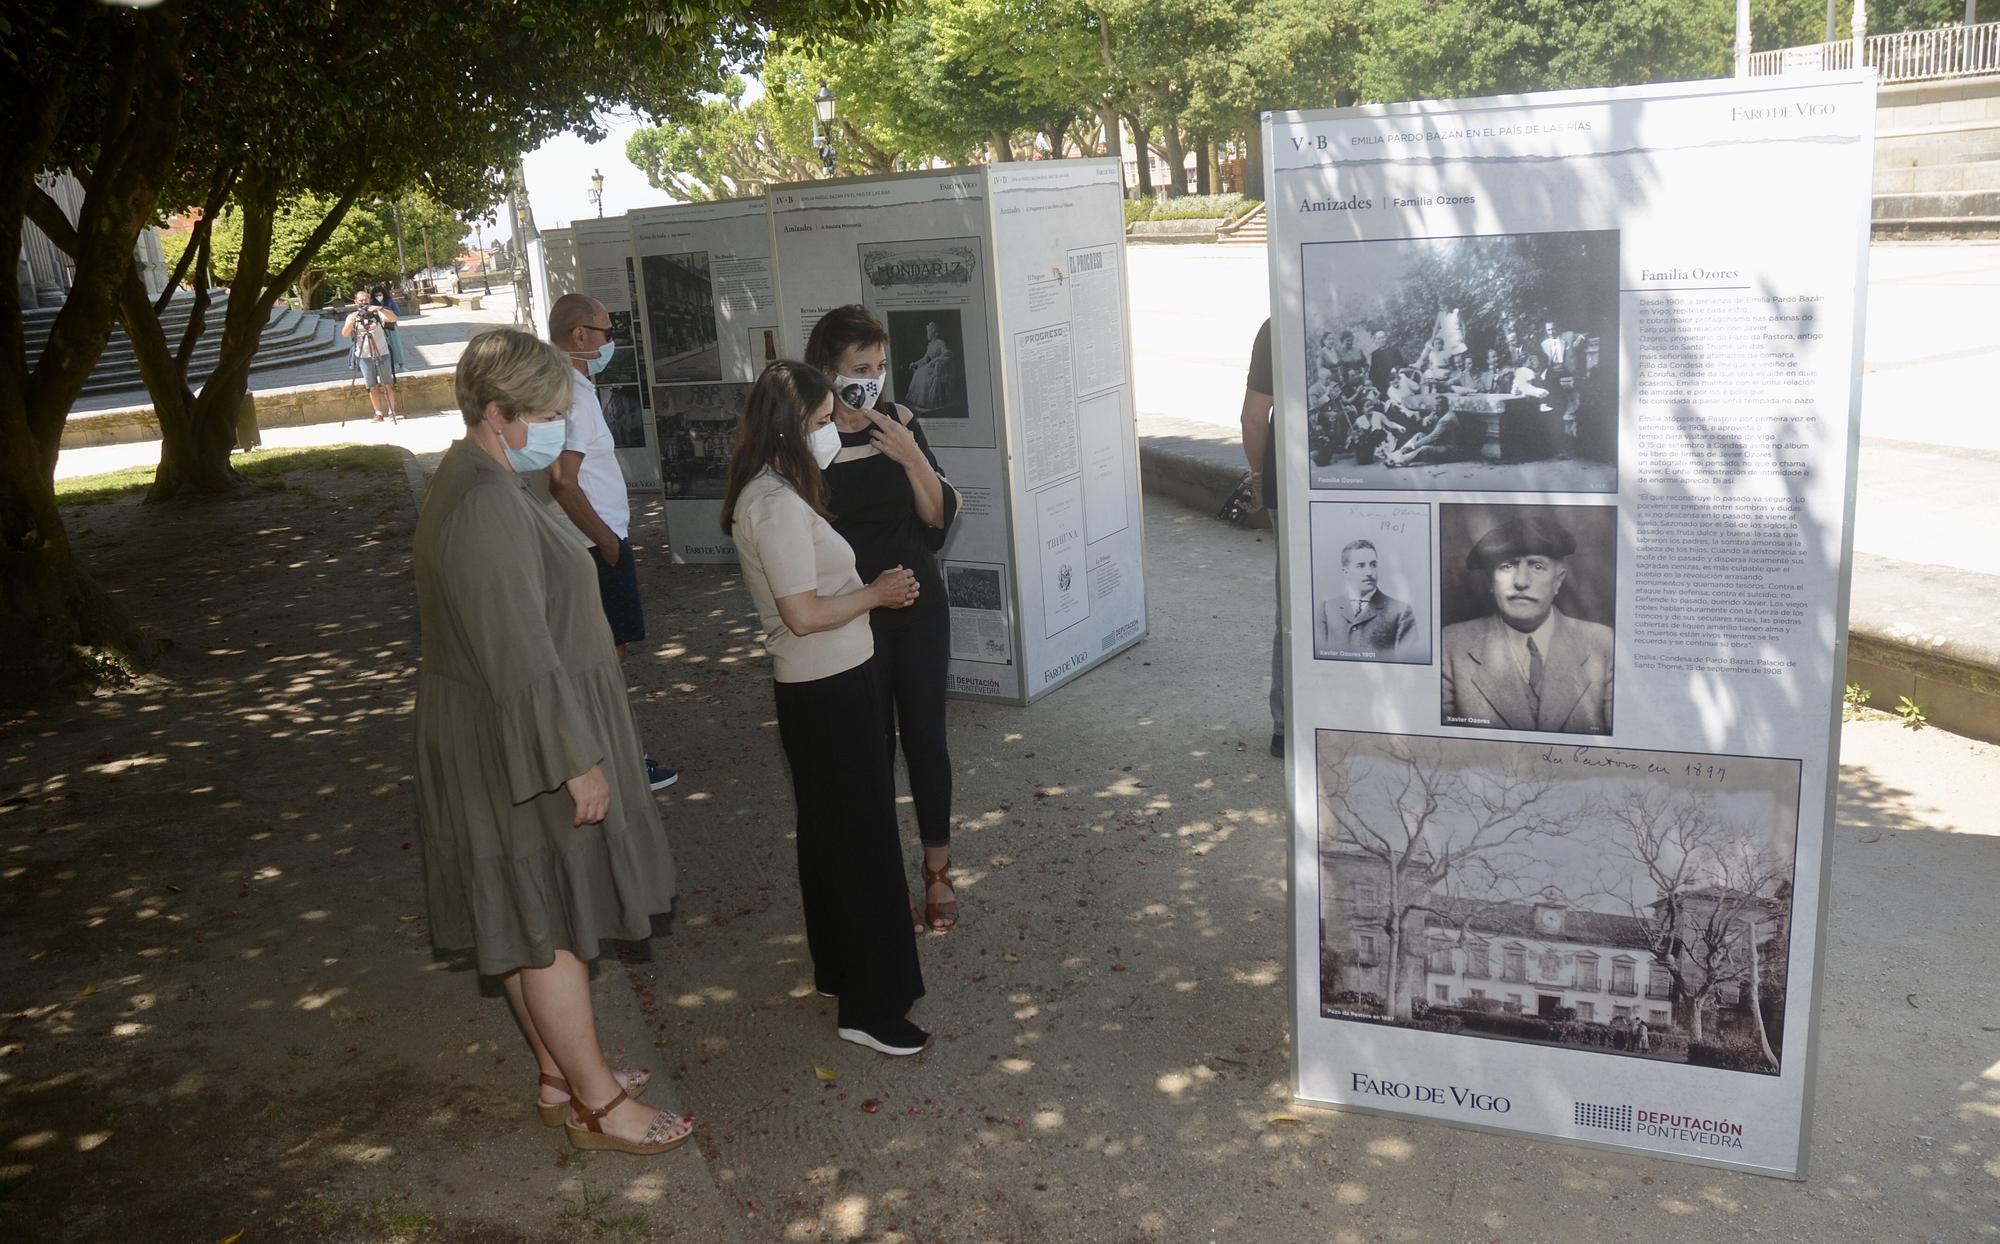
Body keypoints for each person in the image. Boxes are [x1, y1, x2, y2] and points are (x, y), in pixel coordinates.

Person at [411, 328, 691, 1156]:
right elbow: (520, 653)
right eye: (547, 415)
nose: (561, 429)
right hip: (522, 741)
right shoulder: (490, 503)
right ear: (497, 415)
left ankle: (558, 1075)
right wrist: (578, 761)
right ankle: (599, 1106)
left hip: (501, 726)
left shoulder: (481, 476)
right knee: (549, 926)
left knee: (523, 912)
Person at [721, 360, 931, 1055]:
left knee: (833, 840)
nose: (826, 432)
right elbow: (803, 614)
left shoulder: (775, 489)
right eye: (817, 422)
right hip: (827, 686)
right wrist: (877, 593)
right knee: (863, 846)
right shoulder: (774, 503)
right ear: (789, 427)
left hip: (830, 682)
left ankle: (842, 970)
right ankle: (872, 1007)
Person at [804, 305, 962, 933]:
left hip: (919, 606)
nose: (872, 379)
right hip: (854, 614)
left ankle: (938, 869)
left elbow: (938, 520)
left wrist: (911, 457)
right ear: (827, 371)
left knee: (926, 739)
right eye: (858, 368)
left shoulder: (898, 420)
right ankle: (877, 877)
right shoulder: (810, 440)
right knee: (870, 749)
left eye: (881, 366)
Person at [545, 293, 678, 792]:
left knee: (591, 657)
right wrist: (607, 540)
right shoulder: (574, 394)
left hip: (577, 543)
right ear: (580, 336)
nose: (609, 342)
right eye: (604, 332)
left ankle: (599, 756)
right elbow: (563, 478)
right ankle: (616, 760)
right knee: (602, 660)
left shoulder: (553, 382)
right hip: (591, 545)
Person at [1440, 516, 1613, 735]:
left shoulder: (1603, 644)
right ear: (1490, 582)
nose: (1521, 581)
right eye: (1507, 566)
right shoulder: (1450, 646)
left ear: (1558, 580)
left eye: (1537, 566)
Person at [1238, 319, 1282, 758]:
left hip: (1291, 481)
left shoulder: (1277, 323)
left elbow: (1254, 416)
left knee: (1293, 605)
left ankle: (1286, 727)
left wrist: (1258, 478)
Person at [1317, 539, 1417, 659]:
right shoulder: (1328, 609)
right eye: (1361, 566)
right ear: (1346, 572)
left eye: (1373, 565)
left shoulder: (1400, 611)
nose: (1369, 572)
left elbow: (1408, 666)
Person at [340, 288, 397, 422]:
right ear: (355, 302)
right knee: (371, 385)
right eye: (360, 300)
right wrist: (352, 321)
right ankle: (378, 413)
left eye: (365, 300)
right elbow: (345, 333)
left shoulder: (377, 314)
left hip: (382, 352)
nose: (363, 302)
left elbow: (394, 318)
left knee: (387, 384)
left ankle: (392, 411)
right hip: (364, 356)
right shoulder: (352, 316)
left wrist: (380, 309)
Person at [902, 320, 960, 412]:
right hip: (930, 366)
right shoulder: (929, 345)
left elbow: (947, 354)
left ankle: (928, 402)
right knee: (918, 372)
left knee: (923, 373)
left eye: (928, 332)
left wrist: (936, 360)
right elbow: (925, 359)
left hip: (938, 366)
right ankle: (920, 402)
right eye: (927, 332)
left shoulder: (940, 342)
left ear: (933, 333)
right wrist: (915, 363)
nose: (927, 334)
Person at [371, 284, 408, 372]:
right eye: (376, 295)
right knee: (384, 347)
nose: (378, 297)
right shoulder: (372, 304)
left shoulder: (390, 301)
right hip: (379, 327)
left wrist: (385, 310)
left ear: (383, 294)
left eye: (379, 295)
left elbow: (397, 313)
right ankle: (390, 365)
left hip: (391, 326)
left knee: (396, 345)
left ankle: (401, 364)